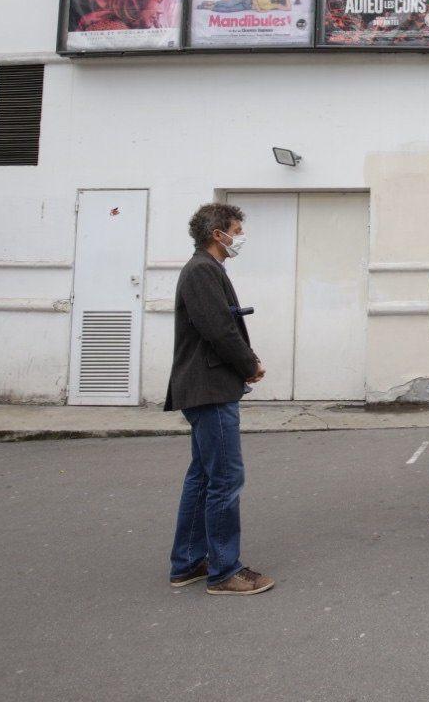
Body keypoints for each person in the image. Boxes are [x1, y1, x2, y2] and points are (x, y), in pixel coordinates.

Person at [165, 203, 274, 596]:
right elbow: (219, 330)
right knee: (225, 478)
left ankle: (189, 561)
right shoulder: (201, 271)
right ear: (218, 234)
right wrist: (249, 364)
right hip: (209, 389)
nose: (240, 236)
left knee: (204, 477)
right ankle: (225, 570)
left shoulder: (206, 269)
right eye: (237, 229)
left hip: (206, 387)